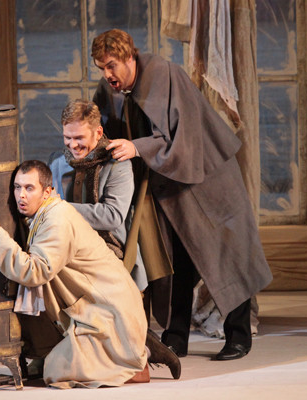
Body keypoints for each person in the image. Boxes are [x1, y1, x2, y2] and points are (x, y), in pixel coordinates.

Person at [91, 29, 273, 361]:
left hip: (208, 178)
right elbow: (100, 125)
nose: (107, 74)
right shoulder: (110, 89)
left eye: (112, 65)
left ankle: (239, 336)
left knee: (227, 254)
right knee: (176, 262)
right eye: (102, 67)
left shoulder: (164, 75)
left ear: (130, 57)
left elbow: (184, 138)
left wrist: (137, 147)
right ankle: (175, 338)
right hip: (168, 184)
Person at [0, 160, 150, 388]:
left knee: (56, 369)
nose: (21, 195)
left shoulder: (57, 219)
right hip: (97, 306)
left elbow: (35, 271)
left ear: (47, 192)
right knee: (45, 366)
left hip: (110, 312)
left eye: (29, 188)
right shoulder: (45, 214)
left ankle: (134, 362)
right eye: (17, 187)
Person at [49, 98, 181, 378]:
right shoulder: (59, 165)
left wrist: (61, 208)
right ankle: (58, 351)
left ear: (98, 132)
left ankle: (139, 349)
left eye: (79, 138)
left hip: (111, 247)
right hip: (71, 244)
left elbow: (112, 216)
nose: (72, 145)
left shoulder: (117, 164)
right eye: (67, 138)